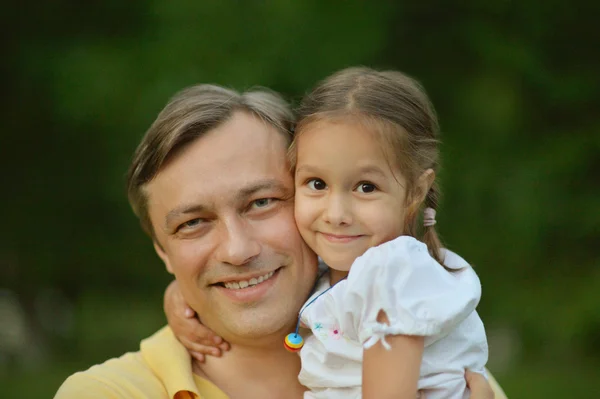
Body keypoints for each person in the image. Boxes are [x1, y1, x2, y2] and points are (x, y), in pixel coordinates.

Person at [55, 81, 505, 399]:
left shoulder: (443, 371)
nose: (237, 249)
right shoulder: (106, 394)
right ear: (162, 250)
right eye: (192, 223)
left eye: (262, 202)